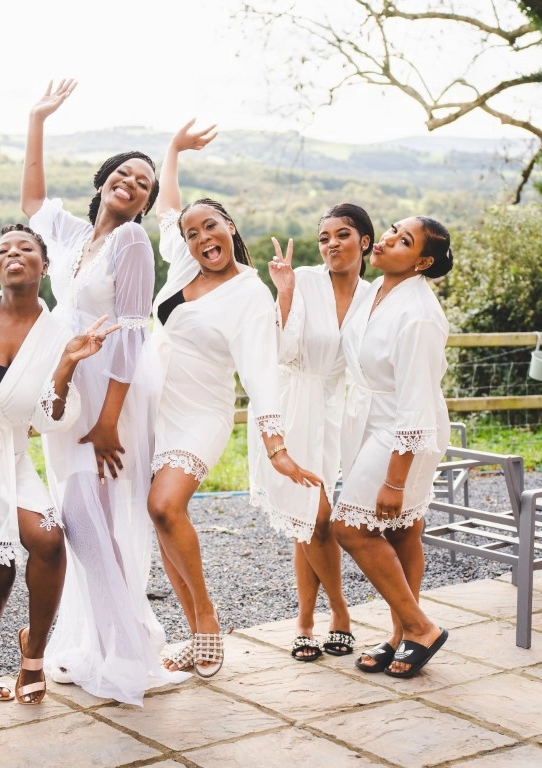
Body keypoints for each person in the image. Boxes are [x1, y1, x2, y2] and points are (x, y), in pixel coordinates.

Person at [20, 80, 187, 704]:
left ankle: (128, 653)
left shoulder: (131, 242)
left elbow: (133, 332)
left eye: (144, 182)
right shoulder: (70, 237)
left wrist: (110, 421)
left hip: (110, 394)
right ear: (103, 179)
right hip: (69, 385)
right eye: (125, 172)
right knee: (83, 518)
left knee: (92, 518)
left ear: (145, 202)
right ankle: (107, 643)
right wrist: (37, 119)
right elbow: (32, 198)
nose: (133, 183)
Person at [150, 123, 321, 678]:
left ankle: (207, 619)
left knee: (165, 506)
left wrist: (276, 448)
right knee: (160, 522)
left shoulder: (248, 292)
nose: (202, 237)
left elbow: (262, 372)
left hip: (202, 413)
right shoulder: (183, 267)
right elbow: (168, 208)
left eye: (211, 226)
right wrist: (173, 150)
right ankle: (193, 632)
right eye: (192, 232)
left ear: (230, 227)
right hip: (154, 409)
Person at [0, 223, 120, 705]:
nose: (13, 254)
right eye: (3, 250)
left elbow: (49, 419)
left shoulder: (59, 336)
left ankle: (33, 654)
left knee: (48, 540)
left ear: (44, 266)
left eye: (25, 248)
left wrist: (67, 365)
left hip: (8, 455)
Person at [331, 215, 454, 679]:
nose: (387, 240)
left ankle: (421, 627)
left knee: (350, 528)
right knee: (402, 532)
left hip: (404, 431)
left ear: (421, 263)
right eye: (391, 230)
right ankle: (402, 634)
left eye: (404, 241)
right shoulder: (376, 292)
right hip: (370, 421)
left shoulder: (419, 315)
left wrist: (395, 481)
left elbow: (415, 404)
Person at [256, 204, 375, 662]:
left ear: (364, 241)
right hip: (294, 405)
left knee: (307, 522)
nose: (331, 244)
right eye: (324, 237)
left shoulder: (374, 295)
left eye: (342, 234)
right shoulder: (302, 280)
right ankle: (339, 613)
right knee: (318, 516)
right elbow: (281, 351)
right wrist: (284, 293)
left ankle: (305, 621)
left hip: (338, 410)